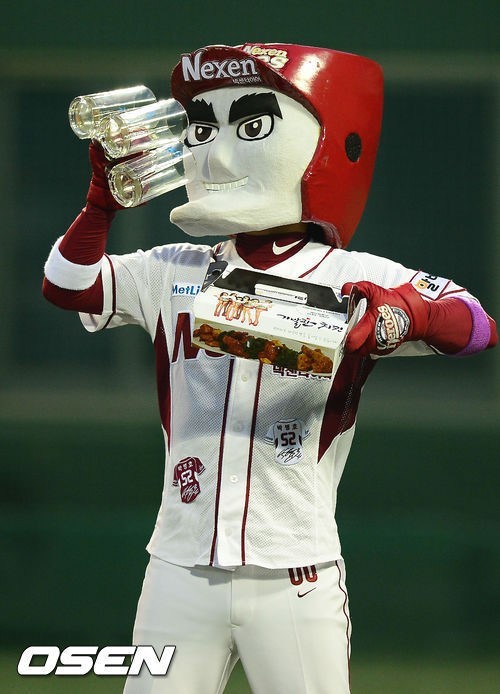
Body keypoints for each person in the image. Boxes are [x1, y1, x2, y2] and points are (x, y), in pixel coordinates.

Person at [42, 42, 497, 694]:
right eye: (203, 128)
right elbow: (67, 286)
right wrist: (99, 206)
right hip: (180, 564)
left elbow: (477, 323)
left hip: (295, 571)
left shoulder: (354, 275)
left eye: (252, 126)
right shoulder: (172, 268)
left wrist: (405, 315)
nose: (216, 149)